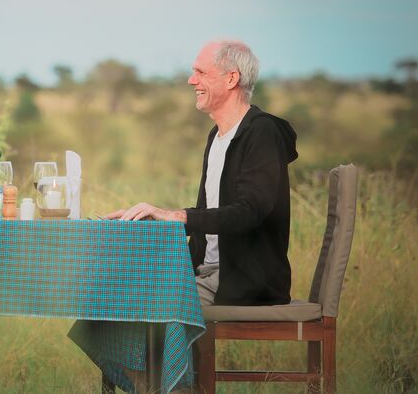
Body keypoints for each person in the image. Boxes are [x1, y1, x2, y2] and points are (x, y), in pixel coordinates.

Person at [107, 40, 298, 307]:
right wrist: (159, 222)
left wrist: (176, 216)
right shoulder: (217, 136)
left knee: (142, 304)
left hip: (244, 280)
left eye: (201, 72)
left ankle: (167, 350)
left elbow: (250, 211)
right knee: (112, 290)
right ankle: (167, 351)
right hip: (205, 272)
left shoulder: (262, 133)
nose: (190, 80)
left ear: (232, 79)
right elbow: (210, 217)